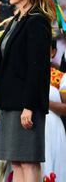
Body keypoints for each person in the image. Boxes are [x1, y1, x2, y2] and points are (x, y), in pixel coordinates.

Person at [0, 0, 54, 182]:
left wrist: (30, 105)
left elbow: (37, 67)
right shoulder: (16, 20)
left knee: (28, 160)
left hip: (26, 104)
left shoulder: (37, 21)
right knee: (16, 161)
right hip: (10, 102)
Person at [41, 40, 66, 181]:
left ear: (53, 52)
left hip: (53, 129)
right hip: (28, 127)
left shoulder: (60, 77)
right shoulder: (21, 75)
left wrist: (44, 103)